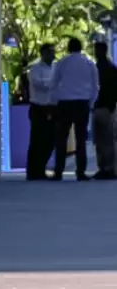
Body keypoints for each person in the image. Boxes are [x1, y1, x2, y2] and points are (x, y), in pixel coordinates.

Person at [50, 35, 100, 182]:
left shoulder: (62, 62)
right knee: (81, 139)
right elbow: (95, 86)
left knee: (61, 139)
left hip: (64, 103)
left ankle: (58, 171)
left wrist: (54, 102)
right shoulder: (89, 63)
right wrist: (90, 103)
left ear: (68, 48)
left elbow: (54, 83)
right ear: (81, 48)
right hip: (82, 103)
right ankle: (81, 172)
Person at [25, 42, 58, 180]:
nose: (52, 54)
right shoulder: (35, 69)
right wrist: (54, 83)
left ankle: (41, 168)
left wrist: (52, 83)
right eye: (49, 52)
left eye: (52, 51)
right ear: (42, 54)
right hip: (38, 108)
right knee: (37, 140)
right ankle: (33, 171)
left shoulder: (57, 68)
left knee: (50, 140)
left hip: (53, 107)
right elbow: (40, 85)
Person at [92, 37, 117, 180]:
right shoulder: (108, 67)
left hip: (104, 106)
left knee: (105, 139)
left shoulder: (102, 68)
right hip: (105, 107)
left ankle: (107, 168)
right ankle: (105, 168)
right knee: (103, 139)